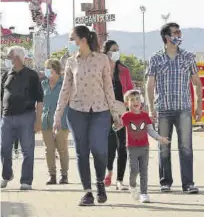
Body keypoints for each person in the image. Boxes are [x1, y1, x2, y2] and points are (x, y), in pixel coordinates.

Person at [53, 25, 121, 206]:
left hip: (100, 111)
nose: (70, 42)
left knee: (99, 149)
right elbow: (65, 89)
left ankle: (100, 183)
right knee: (81, 152)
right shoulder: (70, 61)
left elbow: (108, 87)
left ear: (82, 40)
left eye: (71, 38)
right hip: (76, 112)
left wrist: (115, 113)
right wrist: (58, 114)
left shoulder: (102, 60)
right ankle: (87, 192)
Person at [146, 23, 202, 194]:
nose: (179, 34)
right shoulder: (155, 58)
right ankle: (165, 182)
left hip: (184, 109)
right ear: (166, 37)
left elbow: (196, 83)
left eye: (179, 31)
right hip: (163, 109)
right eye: (175, 32)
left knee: (186, 147)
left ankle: (188, 184)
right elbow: (149, 85)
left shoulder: (188, 57)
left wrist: (198, 105)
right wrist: (150, 109)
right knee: (163, 147)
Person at [1, 46, 43, 190]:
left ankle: (26, 181)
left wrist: (38, 121)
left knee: (27, 150)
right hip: (6, 117)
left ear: (17, 57)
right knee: (4, 148)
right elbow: (2, 98)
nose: (7, 60)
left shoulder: (32, 75)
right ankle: (7, 175)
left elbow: (40, 99)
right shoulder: (6, 75)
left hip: (26, 116)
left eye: (9, 56)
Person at [120, 90, 170, 203]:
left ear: (141, 101)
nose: (135, 101)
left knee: (143, 171)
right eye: (132, 100)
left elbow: (150, 130)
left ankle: (144, 193)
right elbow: (117, 127)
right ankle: (132, 185)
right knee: (134, 169)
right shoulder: (126, 116)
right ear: (126, 103)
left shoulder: (145, 115)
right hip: (132, 148)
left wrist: (160, 138)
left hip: (144, 148)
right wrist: (115, 124)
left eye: (137, 99)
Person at [103, 40, 134, 190]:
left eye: (117, 49)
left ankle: (120, 180)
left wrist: (129, 109)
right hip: (104, 111)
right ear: (106, 52)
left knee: (122, 145)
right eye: (113, 49)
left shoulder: (124, 70)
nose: (116, 52)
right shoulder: (100, 69)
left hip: (121, 112)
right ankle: (108, 172)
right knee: (110, 143)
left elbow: (129, 91)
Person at [41, 59, 69, 185]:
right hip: (46, 121)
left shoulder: (64, 84)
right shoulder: (44, 84)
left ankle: (64, 175)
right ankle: (52, 175)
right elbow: (40, 102)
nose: (48, 72)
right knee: (49, 149)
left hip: (61, 121)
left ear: (57, 71)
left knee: (62, 149)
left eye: (50, 69)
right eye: (46, 69)